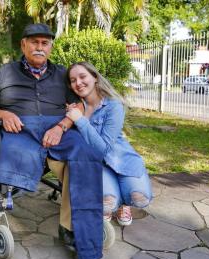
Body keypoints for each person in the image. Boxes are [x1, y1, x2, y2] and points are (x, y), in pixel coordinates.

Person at [0, 24, 104, 259]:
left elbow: (78, 106)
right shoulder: (5, 73)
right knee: (14, 156)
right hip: (20, 130)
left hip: (57, 130)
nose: (40, 47)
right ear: (23, 45)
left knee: (86, 154)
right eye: (34, 42)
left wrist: (61, 127)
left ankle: (72, 229)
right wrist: (4, 114)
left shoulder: (61, 73)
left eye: (44, 43)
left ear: (50, 47)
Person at [65, 62, 152, 226]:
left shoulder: (113, 105)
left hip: (120, 158)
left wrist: (80, 120)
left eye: (83, 77)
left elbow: (103, 148)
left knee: (140, 199)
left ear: (95, 77)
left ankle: (123, 203)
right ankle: (114, 202)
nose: (78, 83)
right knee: (108, 203)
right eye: (73, 80)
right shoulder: (76, 107)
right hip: (98, 164)